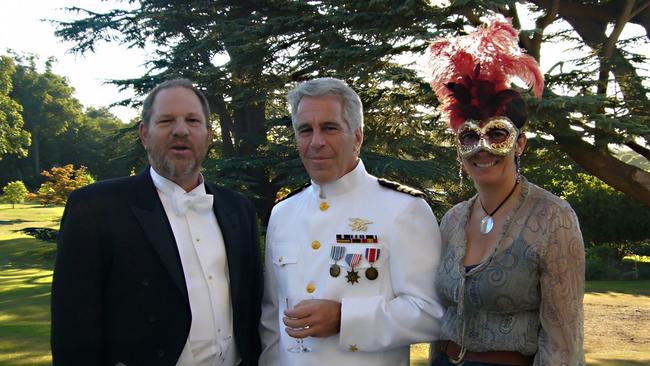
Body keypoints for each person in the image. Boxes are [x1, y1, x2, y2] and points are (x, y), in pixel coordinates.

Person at [51, 79, 262, 366]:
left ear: (208, 134)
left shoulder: (239, 209)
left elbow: (253, 305)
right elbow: (72, 324)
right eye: (165, 121)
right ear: (144, 133)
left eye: (192, 120)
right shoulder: (95, 207)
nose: (180, 130)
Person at [426, 19, 585, 366]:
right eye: (469, 136)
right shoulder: (452, 220)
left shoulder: (553, 218)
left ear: (520, 144)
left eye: (496, 134)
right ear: (458, 148)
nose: (482, 148)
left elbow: (563, 341)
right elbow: (442, 318)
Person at [258, 77, 443, 366]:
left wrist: (345, 319)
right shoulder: (283, 213)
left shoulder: (403, 209)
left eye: (329, 128)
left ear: (357, 137)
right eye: (305, 130)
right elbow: (272, 318)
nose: (316, 142)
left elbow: (431, 313)